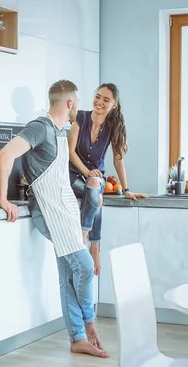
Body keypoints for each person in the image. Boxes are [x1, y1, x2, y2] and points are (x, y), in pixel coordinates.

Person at [0, 80, 108, 358]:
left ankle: (77, 338)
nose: (79, 106)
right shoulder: (40, 127)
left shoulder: (59, 130)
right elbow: (5, 154)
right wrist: (2, 199)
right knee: (83, 265)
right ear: (70, 103)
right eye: (78, 102)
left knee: (68, 272)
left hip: (64, 208)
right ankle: (89, 324)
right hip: (47, 209)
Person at [68, 83, 148, 276]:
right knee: (96, 197)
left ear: (114, 105)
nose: (100, 102)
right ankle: (95, 246)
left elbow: (118, 159)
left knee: (95, 186)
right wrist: (87, 172)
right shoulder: (80, 117)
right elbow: (70, 152)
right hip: (73, 175)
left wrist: (127, 189)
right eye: (98, 96)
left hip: (95, 179)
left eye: (106, 100)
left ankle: (83, 239)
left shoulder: (113, 127)